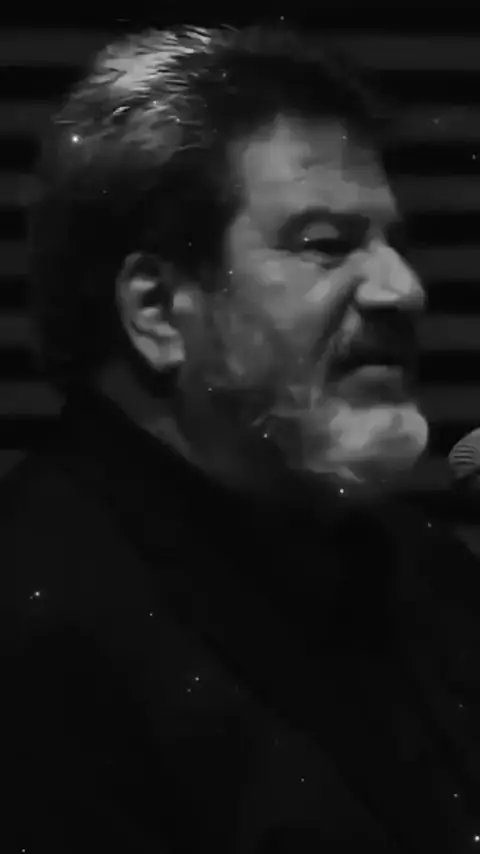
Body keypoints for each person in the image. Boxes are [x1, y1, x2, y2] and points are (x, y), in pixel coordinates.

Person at [2, 22, 480, 853]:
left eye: (394, 245)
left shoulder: (423, 572)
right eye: (326, 246)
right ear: (158, 310)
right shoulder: (36, 625)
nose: (403, 289)